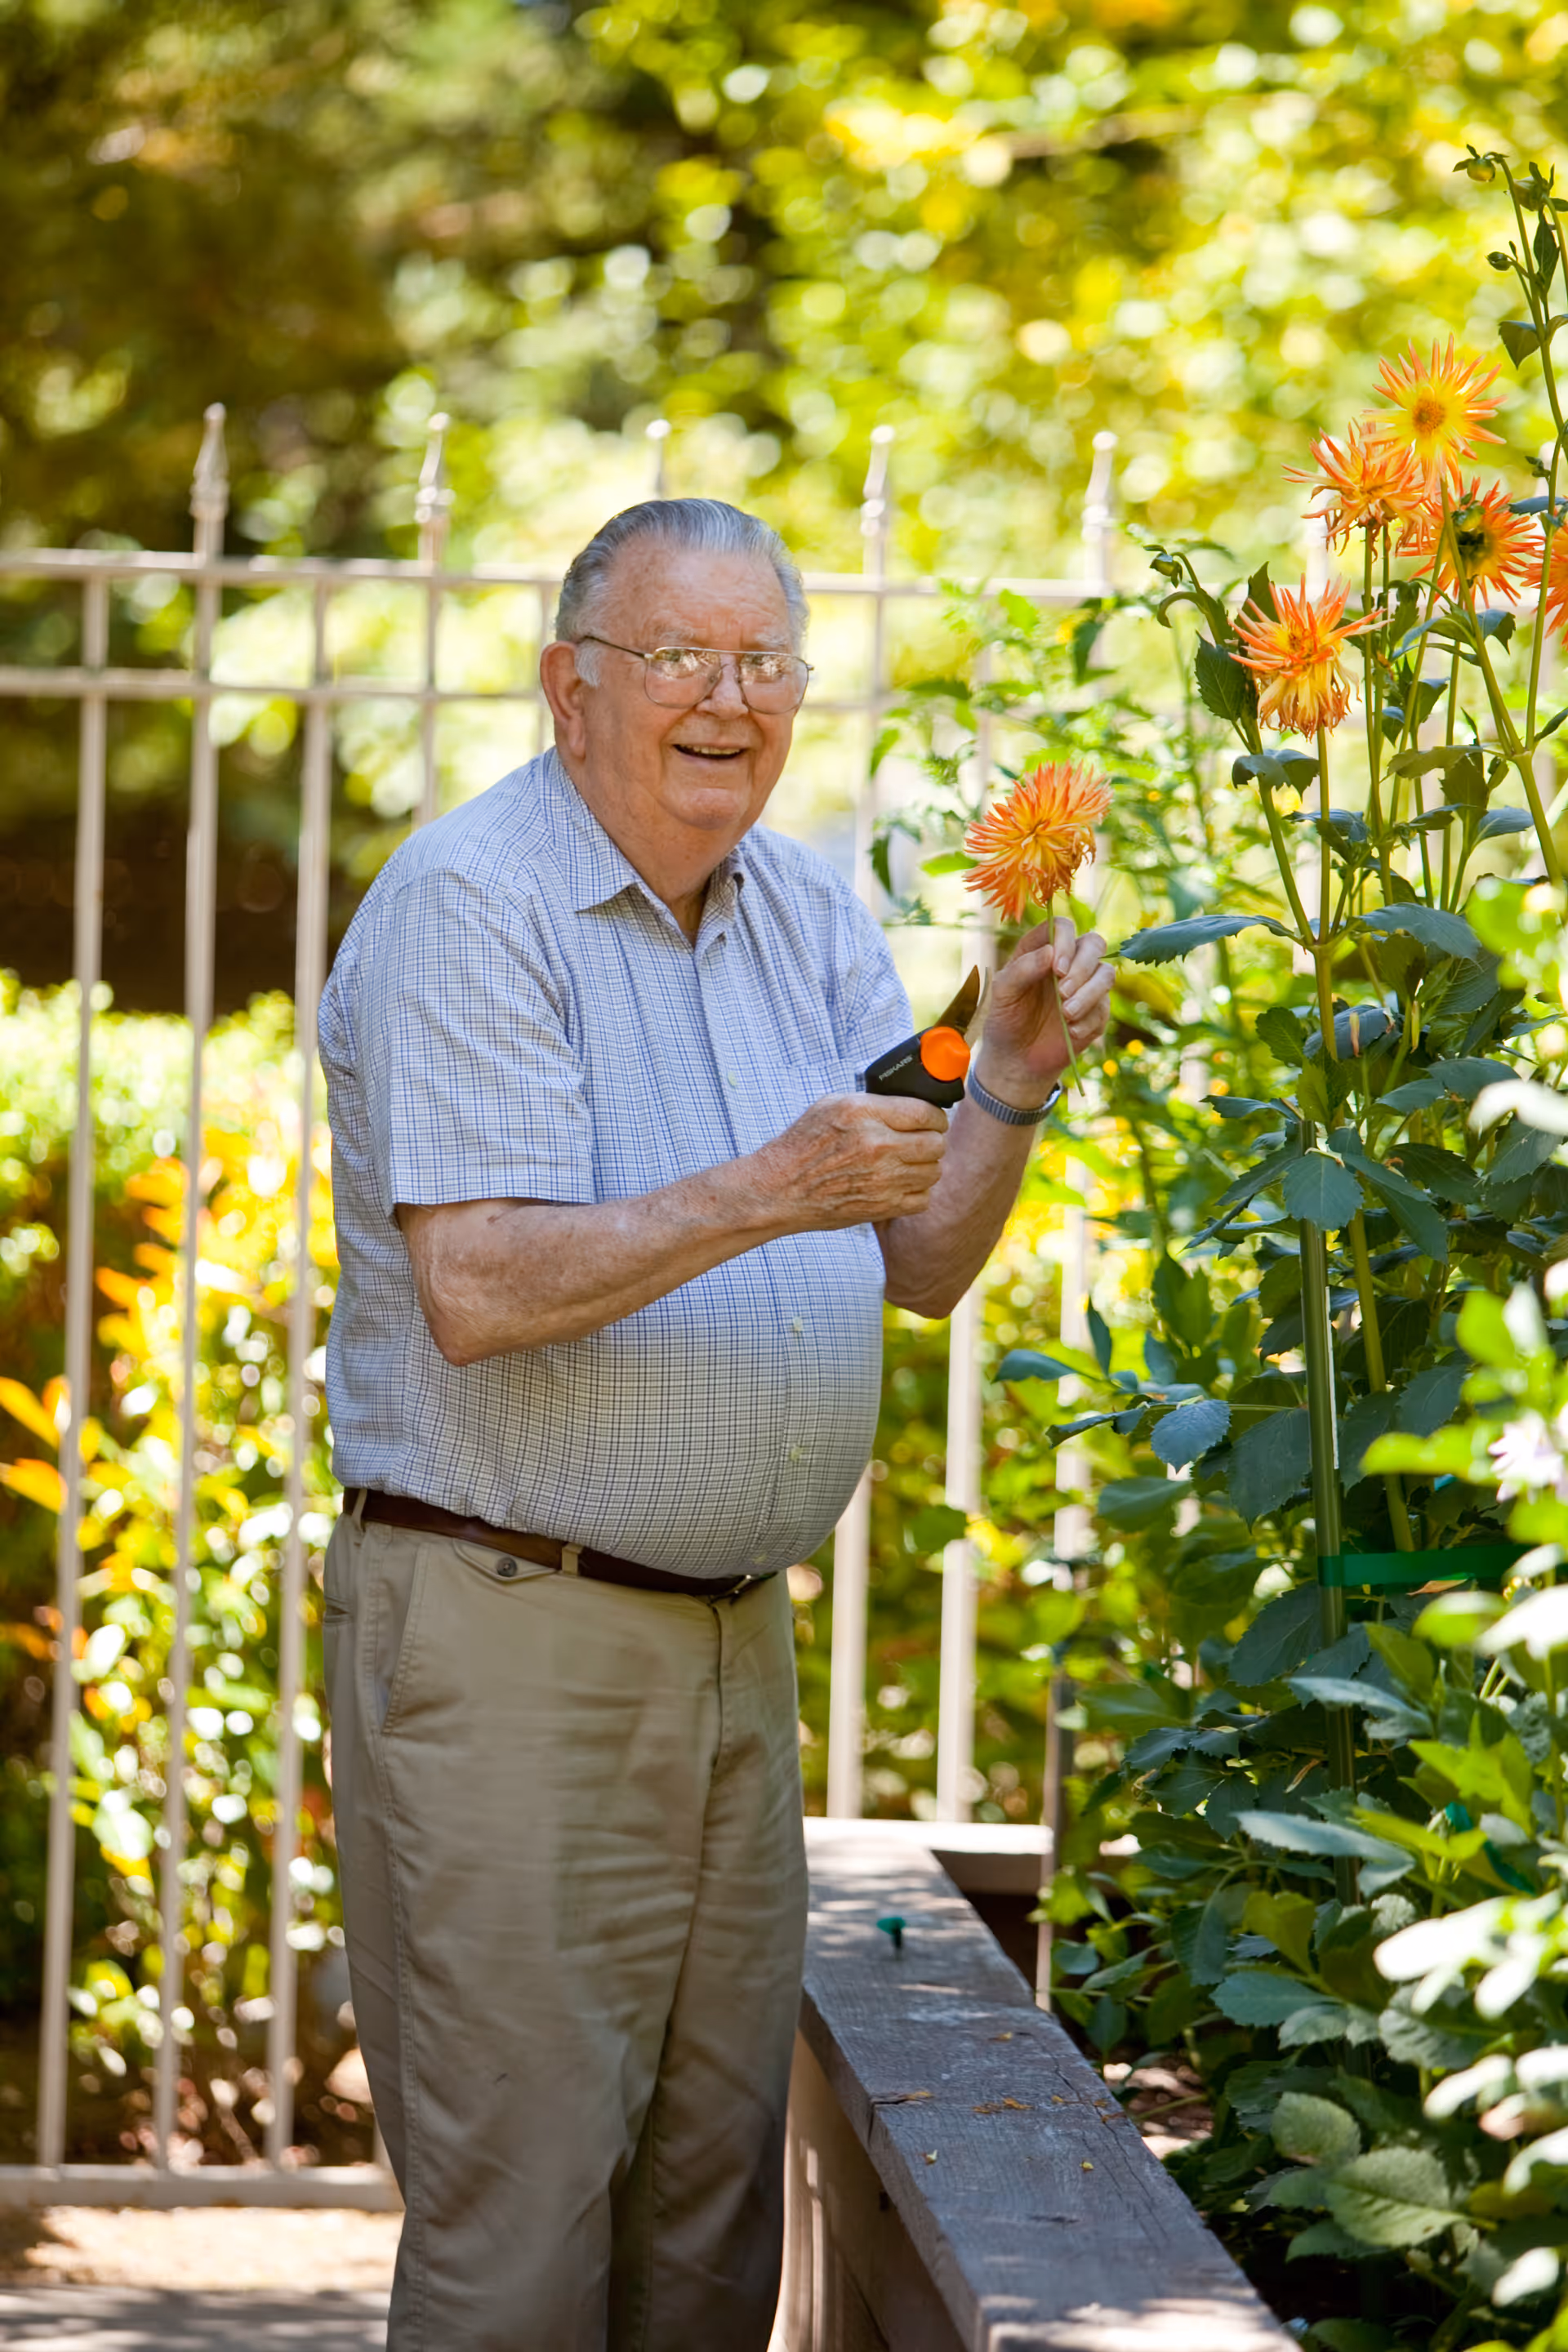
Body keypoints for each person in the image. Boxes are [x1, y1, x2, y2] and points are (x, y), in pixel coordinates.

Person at [318, 497, 1111, 2352]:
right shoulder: (470, 903)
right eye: (679, 656)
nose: (726, 701)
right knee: (523, 2244)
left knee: (704, 2240)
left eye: (763, 661)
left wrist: (996, 1078)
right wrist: (770, 1185)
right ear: (568, 686)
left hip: (731, 1649)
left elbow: (915, 1254)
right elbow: (483, 1289)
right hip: (516, 1635)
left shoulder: (807, 906)